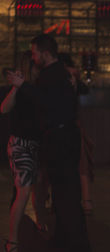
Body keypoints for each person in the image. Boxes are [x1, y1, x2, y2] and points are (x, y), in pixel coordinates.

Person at [7, 34, 91, 252]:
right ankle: (66, 240)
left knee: (65, 196)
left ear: (44, 53)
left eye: (35, 53)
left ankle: (73, 243)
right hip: (62, 139)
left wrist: (22, 85)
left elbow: (46, 103)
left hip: (59, 141)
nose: (33, 57)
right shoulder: (58, 73)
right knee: (64, 195)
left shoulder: (51, 75)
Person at [1, 51, 43, 252]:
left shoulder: (39, 87)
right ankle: (13, 240)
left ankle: (36, 228)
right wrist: (16, 88)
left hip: (35, 144)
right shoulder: (22, 87)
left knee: (33, 189)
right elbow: (4, 108)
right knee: (24, 190)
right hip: (20, 144)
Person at [58, 52, 94, 215]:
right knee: (82, 164)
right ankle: (86, 201)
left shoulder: (57, 73)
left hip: (61, 123)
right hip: (75, 122)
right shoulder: (74, 73)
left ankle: (58, 199)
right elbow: (85, 90)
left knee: (62, 164)